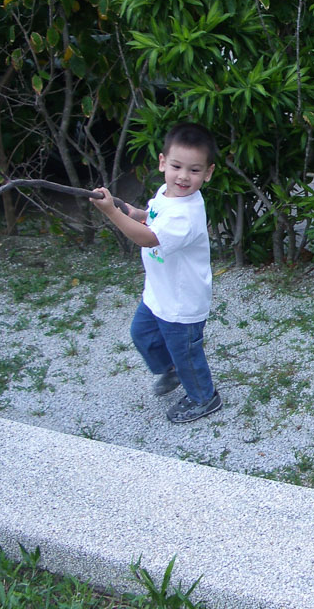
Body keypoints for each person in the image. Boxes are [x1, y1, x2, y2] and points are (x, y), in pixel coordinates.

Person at [90, 122, 222, 424]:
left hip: (181, 303)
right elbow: (152, 216)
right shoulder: (168, 193)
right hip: (159, 292)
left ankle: (204, 397)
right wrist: (133, 212)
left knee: (186, 352)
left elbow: (147, 238)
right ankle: (171, 369)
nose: (183, 176)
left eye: (194, 170)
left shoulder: (185, 214)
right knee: (142, 334)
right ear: (163, 162)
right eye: (177, 166)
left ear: (208, 172)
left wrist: (111, 213)